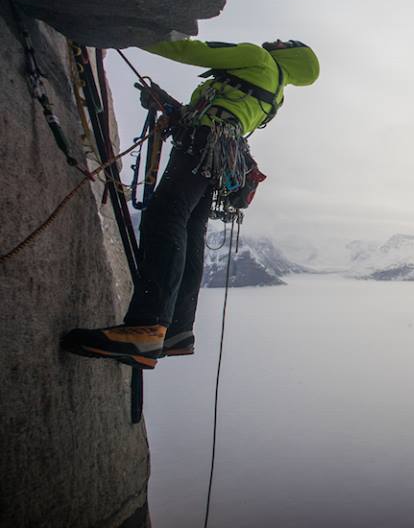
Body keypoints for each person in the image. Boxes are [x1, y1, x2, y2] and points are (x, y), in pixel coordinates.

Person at [62, 38, 320, 369]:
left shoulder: (258, 59)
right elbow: (223, 112)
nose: (274, 41)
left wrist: (127, 31)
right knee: (188, 228)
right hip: (220, 154)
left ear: (292, 54)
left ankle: (146, 327)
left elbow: (186, 50)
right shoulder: (276, 94)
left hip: (203, 144)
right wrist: (172, 106)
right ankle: (178, 329)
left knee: (165, 217)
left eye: (284, 42)